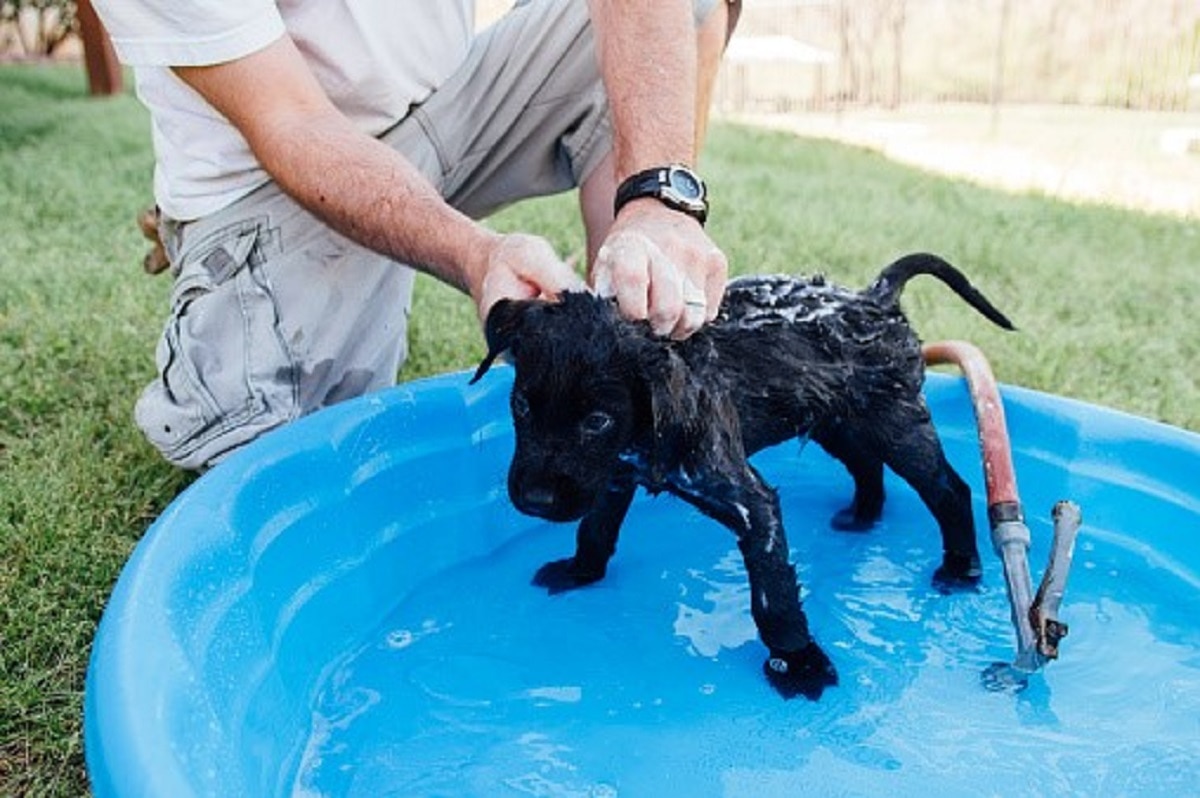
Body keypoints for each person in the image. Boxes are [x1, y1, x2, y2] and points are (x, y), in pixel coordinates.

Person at [91, 0, 741, 470]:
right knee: (290, 460)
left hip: (444, 104)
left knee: (693, 7)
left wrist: (658, 193)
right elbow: (290, 123)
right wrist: (476, 255)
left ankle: (623, 340)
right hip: (275, 173)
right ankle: (214, 264)